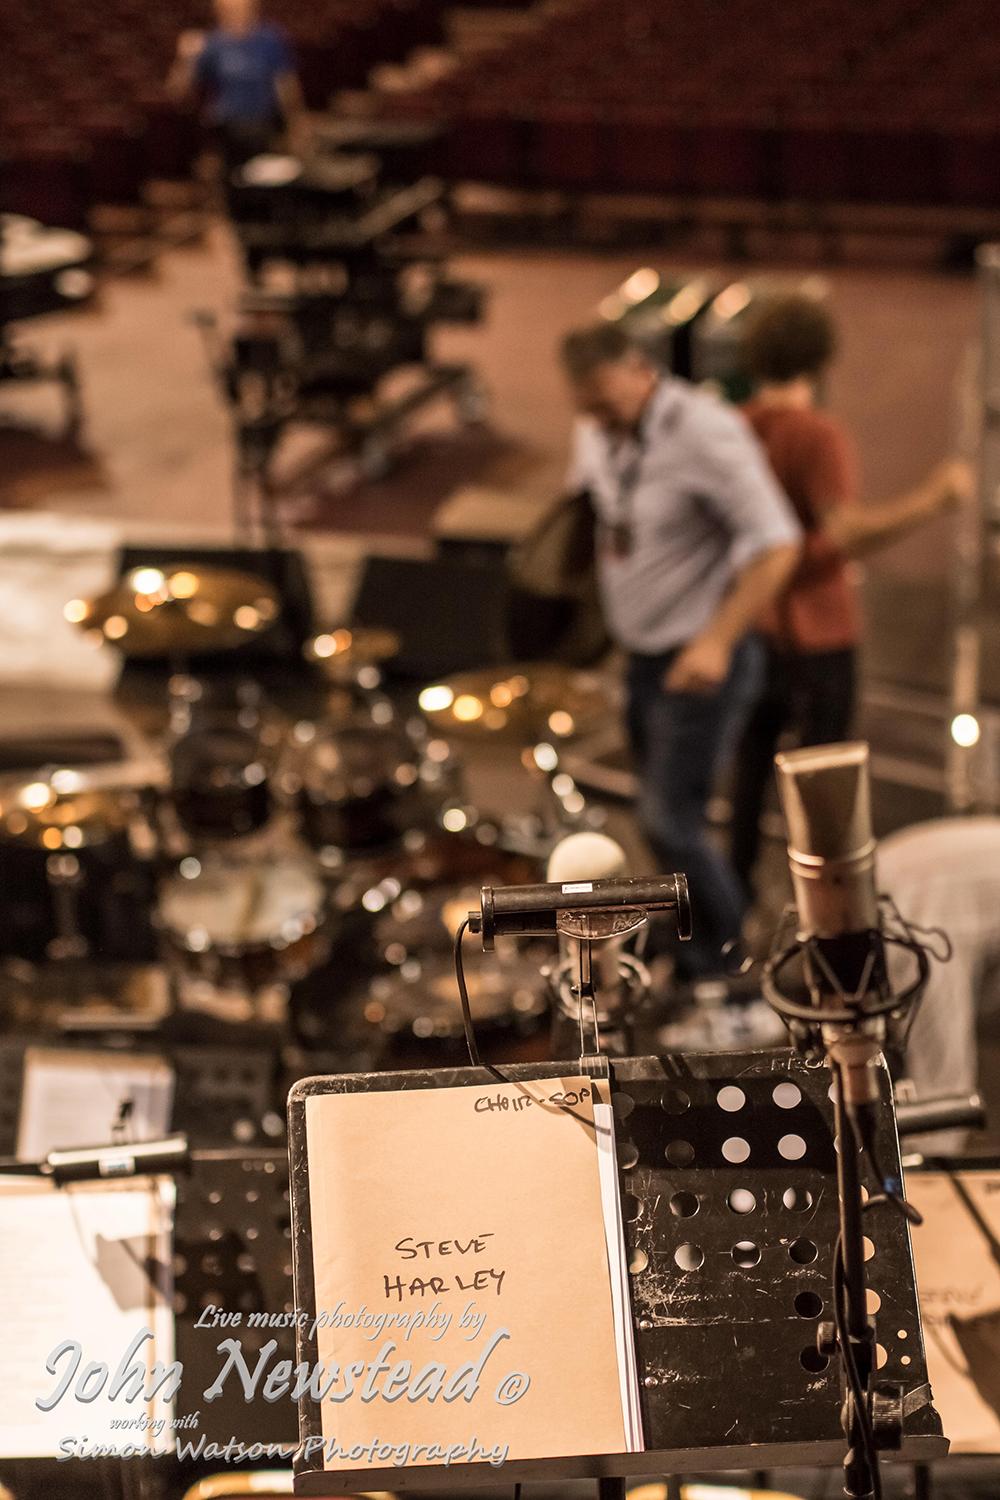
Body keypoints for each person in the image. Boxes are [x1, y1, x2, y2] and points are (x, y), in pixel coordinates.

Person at [560, 323, 802, 979]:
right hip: (640, 659)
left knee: (671, 820)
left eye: (608, 405)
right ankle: (694, 937)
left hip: (698, 662)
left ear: (640, 369)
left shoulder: (707, 432)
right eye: (587, 409)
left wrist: (716, 640)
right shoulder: (597, 425)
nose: (598, 422)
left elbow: (778, 543)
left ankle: (731, 962)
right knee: (658, 815)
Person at [730, 293, 974, 901]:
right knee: (824, 793)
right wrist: (935, 498)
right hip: (818, 637)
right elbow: (846, 532)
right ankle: (825, 912)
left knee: (748, 773)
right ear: (820, 358)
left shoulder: (735, 426)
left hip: (753, 623)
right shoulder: (817, 434)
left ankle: (732, 901)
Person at [168, 0, 308, 184]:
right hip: (226, 129)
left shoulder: (270, 39)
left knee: (267, 182)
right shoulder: (212, 44)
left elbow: (286, 84)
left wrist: (296, 122)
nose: (235, 15)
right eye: (228, 10)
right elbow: (178, 92)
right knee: (233, 183)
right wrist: (185, 59)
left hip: (263, 125)